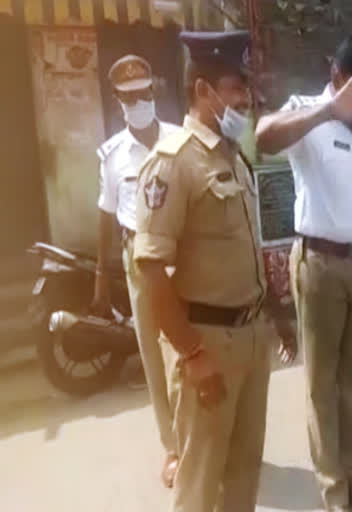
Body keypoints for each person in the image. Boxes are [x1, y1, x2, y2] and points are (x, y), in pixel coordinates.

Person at [133, 31, 296, 512]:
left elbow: (245, 250)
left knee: (244, 475)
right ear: (203, 91)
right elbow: (151, 272)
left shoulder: (234, 157)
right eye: (235, 88)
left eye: (245, 89)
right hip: (208, 342)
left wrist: (276, 313)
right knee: (201, 483)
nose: (244, 100)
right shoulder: (173, 163)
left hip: (249, 337)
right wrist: (192, 353)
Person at [255, 34, 352, 512]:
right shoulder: (305, 112)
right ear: (336, 76)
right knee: (322, 384)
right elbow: (262, 137)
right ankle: (333, 490)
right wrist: (328, 110)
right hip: (319, 263)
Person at [91, 54, 180, 487]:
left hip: (182, 258)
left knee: (190, 347)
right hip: (140, 262)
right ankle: (173, 447)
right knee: (154, 358)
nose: (136, 101)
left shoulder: (181, 140)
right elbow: (106, 216)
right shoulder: (111, 155)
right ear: (118, 99)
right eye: (127, 96)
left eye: (142, 93)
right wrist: (100, 277)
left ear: (153, 91)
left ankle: (202, 436)